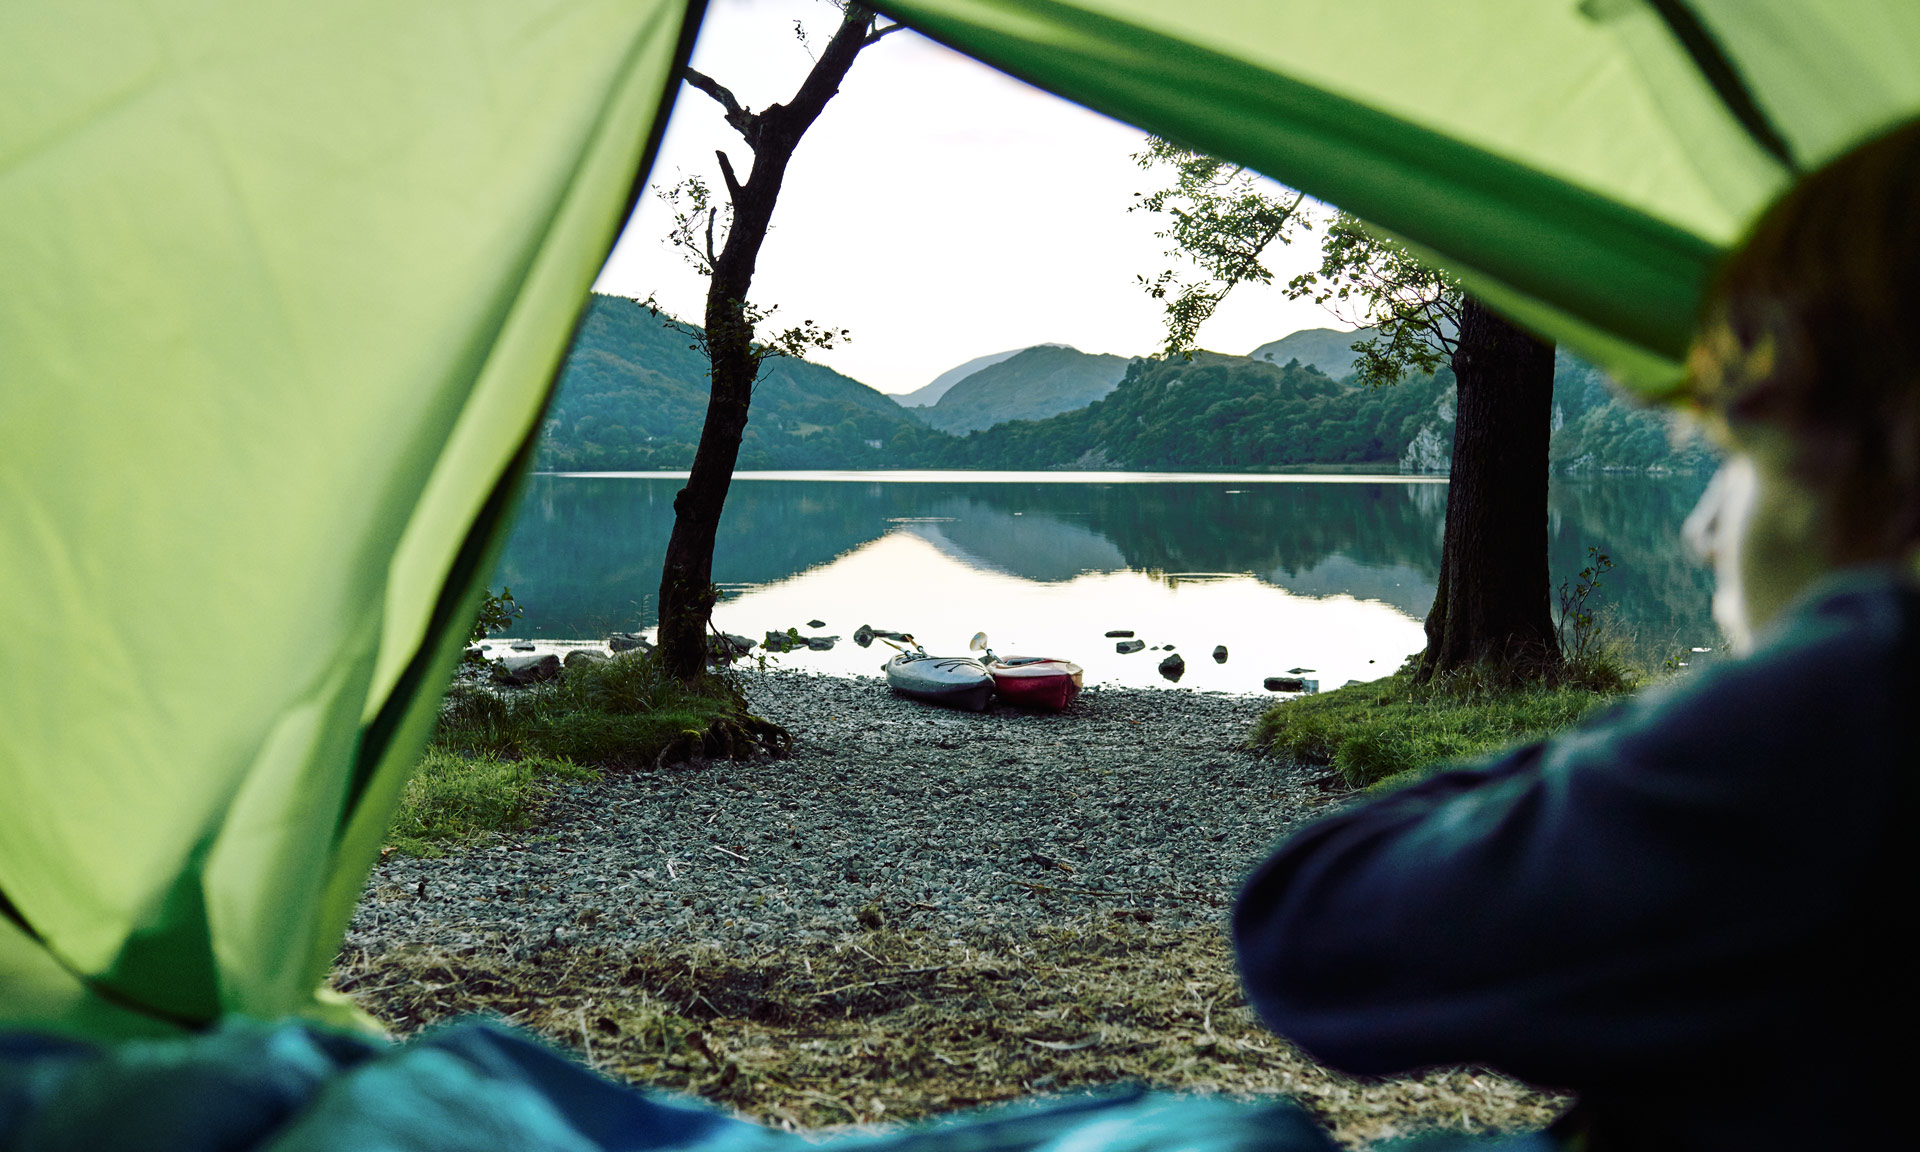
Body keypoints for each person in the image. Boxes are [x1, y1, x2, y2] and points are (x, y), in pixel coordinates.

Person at [1233, 118, 1920, 1151]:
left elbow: (1308, 927)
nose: (1699, 531)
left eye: (1742, 452)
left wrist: (1729, 697)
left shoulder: (1867, 697)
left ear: (1886, 439)